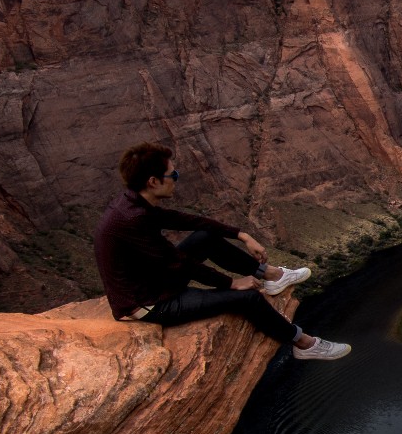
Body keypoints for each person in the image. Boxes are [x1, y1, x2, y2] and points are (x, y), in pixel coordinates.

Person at [93, 142, 350, 360]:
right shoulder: (132, 220)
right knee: (248, 299)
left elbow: (189, 222)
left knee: (205, 237)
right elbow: (179, 262)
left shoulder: (133, 203)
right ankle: (304, 344)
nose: (177, 179)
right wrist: (231, 283)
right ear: (153, 181)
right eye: (174, 175)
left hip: (155, 281)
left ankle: (272, 276)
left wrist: (241, 234)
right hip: (149, 303)